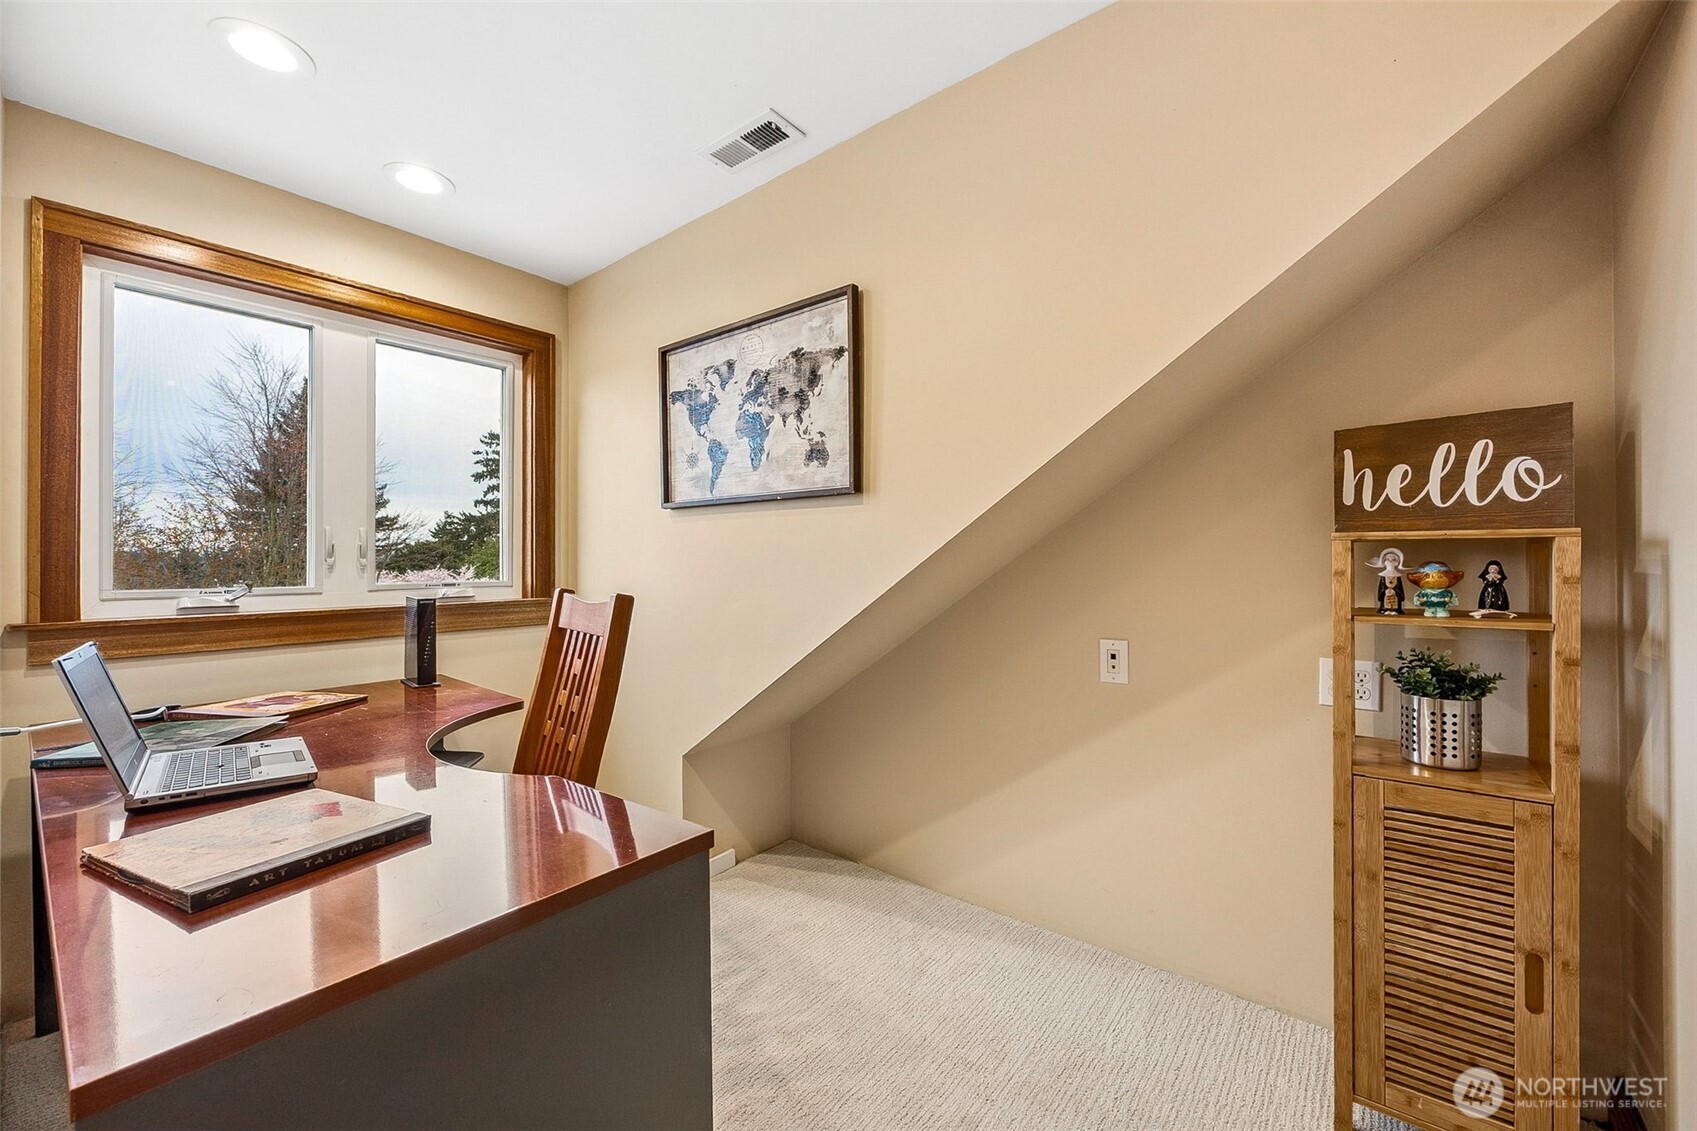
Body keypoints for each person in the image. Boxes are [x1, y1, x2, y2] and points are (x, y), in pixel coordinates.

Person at [1366, 548, 1407, 615]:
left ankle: (1396, 610)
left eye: (1394, 560)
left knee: (1396, 602)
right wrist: (1384, 591)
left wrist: (1395, 591)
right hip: (1386, 597)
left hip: (1395, 598)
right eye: (1388, 559)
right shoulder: (1383, 576)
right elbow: (1381, 588)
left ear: (1398, 562)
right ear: (1384, 561)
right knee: (1385, 601)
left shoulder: (1398, 576)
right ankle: (1385, 609)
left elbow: (1400, 588)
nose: (1390, 562)